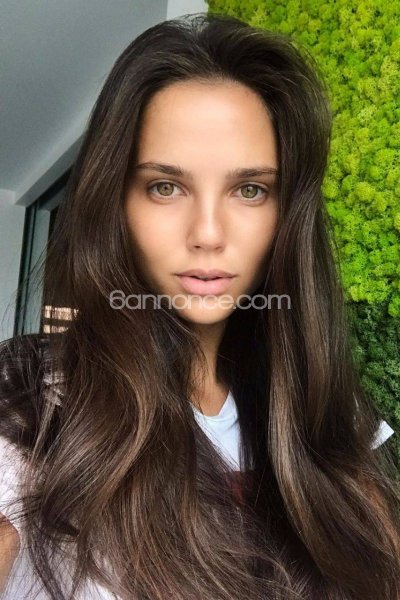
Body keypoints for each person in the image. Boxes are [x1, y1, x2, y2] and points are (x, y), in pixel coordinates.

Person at [0, 11, 399, 600]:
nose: (208, 233)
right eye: (165, 187)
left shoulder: (326, 407)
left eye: (250, 189)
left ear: (287, 214)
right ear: (116, 202)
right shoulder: (28, 397)